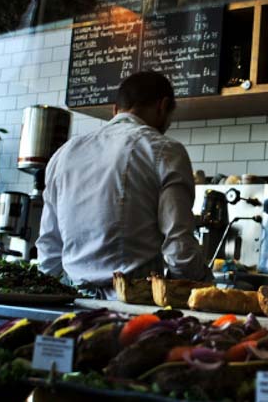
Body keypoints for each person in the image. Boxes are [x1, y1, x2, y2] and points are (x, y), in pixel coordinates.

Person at [37, 71, 213, 298]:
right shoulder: (165, 150)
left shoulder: (64, 153)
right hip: (133, 304)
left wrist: (46, 299)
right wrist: (205, 286)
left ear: (115, 110)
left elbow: (49, 245)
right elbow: (178, 248)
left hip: (73, 302)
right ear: (163, 106)